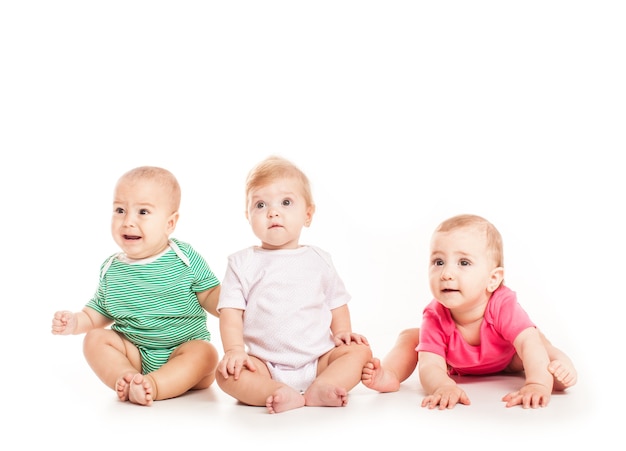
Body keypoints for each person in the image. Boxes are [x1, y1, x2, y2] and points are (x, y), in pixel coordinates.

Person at [362, 213, 577, 409]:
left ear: (493, 279)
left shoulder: (502, 304)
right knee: (410, 337)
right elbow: (430, 366)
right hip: (459, 363)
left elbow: (527, 344)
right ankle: (390, 374)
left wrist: (536, 384)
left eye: (463, 262)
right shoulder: (435, 315)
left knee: (535, 341)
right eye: (438, 262)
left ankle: (561, 371)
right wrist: (443, 386)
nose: (446, 273)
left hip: (509, 357)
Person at [51, 166, 221, 406]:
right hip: (136, 355)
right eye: (120, 210)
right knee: (95, 339)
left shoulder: (183, 256)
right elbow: (98, 311)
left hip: (181, 351)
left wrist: (232, 304)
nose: (128, 221)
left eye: (143, 211)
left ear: (170, 223)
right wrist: (76, 322)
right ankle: (126, 377)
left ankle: (155, 385)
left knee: (206, 353)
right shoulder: (112, 267)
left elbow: (210, 294)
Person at [216, 155, 372, 414]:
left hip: (319, 358)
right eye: (260, 204)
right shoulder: (242, 262)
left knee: (360, 352)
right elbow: (231, 312)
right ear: (248, 215)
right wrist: (234, 351)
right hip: (263, 364)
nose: (273, 212)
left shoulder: (319, 259)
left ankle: (325, 384)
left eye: (286, 202)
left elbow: (336, 301)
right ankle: (275, 391)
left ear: (308, 214)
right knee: (226, 374)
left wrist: (343, 331)